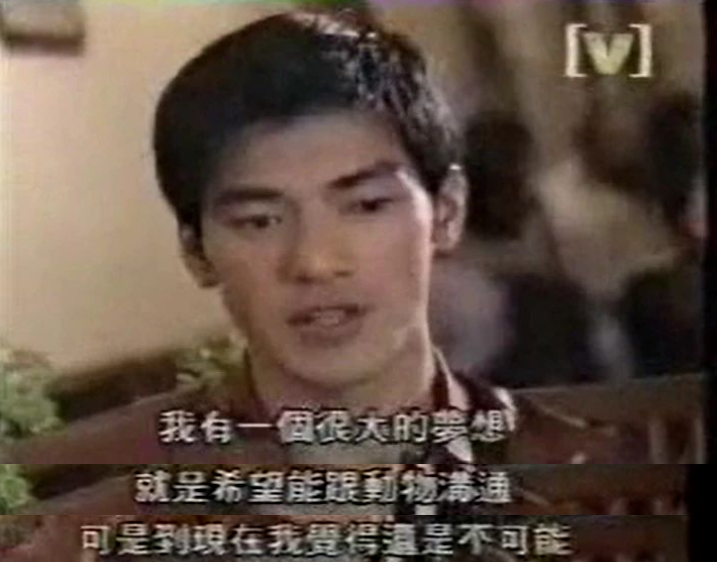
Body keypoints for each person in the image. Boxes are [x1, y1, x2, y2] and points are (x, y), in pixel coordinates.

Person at [5, 8, 628, 562]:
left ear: (446, 211)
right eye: (259, 221)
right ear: (196, 252)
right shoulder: (103, 535)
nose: (316, 262)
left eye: (366, 205)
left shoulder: (594, 484)